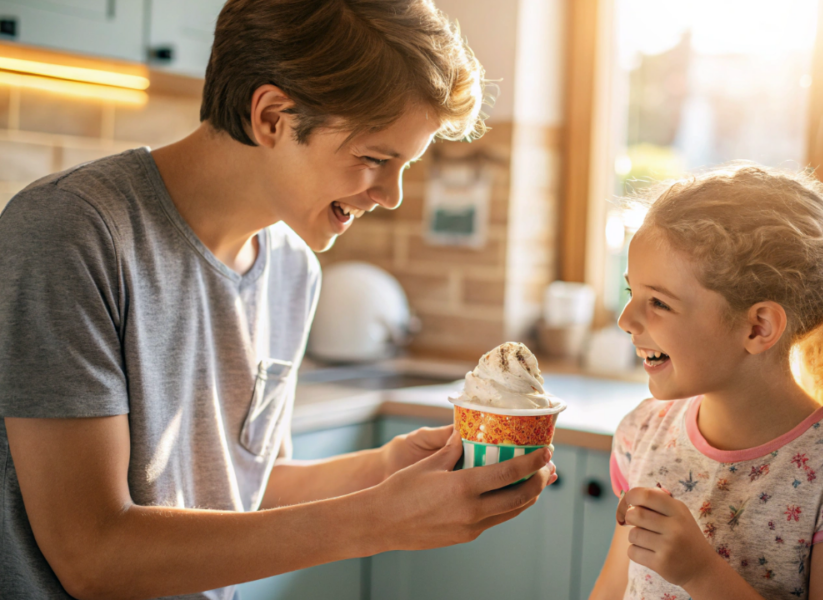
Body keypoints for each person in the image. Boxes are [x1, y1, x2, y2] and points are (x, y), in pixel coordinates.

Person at [0, 1, 556, 599]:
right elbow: (93, 555)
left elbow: (246, 488)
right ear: (271, 117)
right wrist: (376, 520)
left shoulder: (292, 269)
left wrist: (383, 468)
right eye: (375, 159)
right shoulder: (72, 233)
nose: (392, 195)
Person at [590, 164, 823, 600]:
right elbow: (612, 589)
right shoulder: (642, 433)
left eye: (658, 302)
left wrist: (701, 573)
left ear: (758, 327)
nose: (626, 320)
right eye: (631, 294)